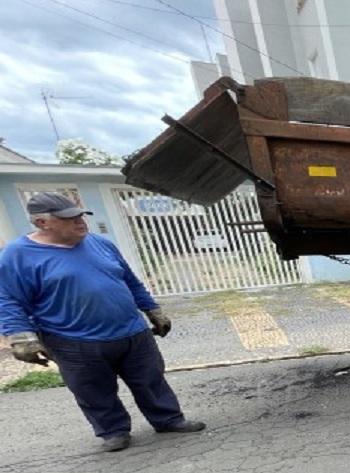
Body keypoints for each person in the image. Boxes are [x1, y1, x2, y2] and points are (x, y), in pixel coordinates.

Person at [0, 192, 205, 452]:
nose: (80, 222)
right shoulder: (18, 255)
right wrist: (21, 337)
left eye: (80, 216)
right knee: (92, 389)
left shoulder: (100, 243)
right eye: (69, 218)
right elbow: (8, 299)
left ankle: (168, 419)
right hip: (74, 340)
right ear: (42, 223)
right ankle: (113, 431)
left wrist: (153, 310)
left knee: (151, 378)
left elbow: (129, 280)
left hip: (132, 332)